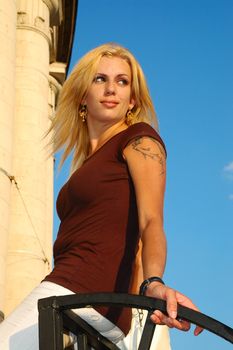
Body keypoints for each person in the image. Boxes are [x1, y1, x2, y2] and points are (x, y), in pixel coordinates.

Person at [0, 43, 203, 349]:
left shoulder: (139, 140)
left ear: (132, 100)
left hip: (82, 291)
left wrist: (153, 283)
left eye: (122, 81)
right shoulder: (87, 162)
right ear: (83, 93)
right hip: (72, 291)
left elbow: (151, 222)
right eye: (100, 79)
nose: (111, 89)